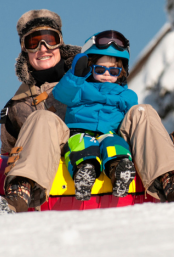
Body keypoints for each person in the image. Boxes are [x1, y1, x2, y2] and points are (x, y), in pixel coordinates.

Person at [0, 10, 174, 215]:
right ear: (24, 49)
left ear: (60, 41)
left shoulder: (90, 69)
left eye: (50, 39)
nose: (43, 48)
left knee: (142, 111)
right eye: (33, 43)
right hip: (63, 152)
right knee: (43, 118)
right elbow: (8, 154)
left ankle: (172, 183)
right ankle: (20, 192)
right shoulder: (19, 105)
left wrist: (166, 141)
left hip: (114, 143)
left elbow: (131, 121)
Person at [53, 31, 138, 201]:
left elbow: (135, 115)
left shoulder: (125, 94)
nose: (107, 74)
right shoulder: (81, 88)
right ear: (90, 68)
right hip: (80, 131)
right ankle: (85, 171)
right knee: (83, 145)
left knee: (116, 145)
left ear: (121, 72)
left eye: (113, 71)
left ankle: (119, 170)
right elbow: (62, 95)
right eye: (100, 69)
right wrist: (75, 76)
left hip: (109, 132)